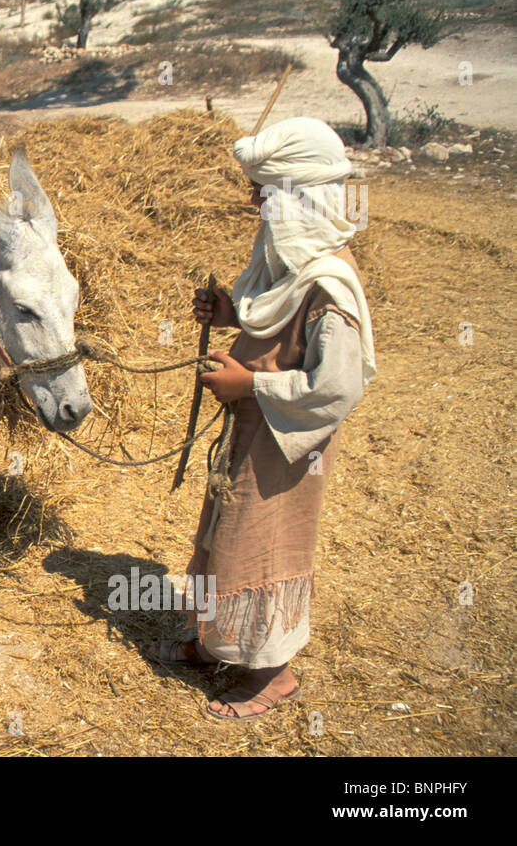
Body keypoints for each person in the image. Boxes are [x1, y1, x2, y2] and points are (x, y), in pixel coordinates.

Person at [145, 117, 376, 720]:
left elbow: (336, 384)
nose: (254, 200)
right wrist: (229, 313)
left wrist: (249, 383)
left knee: (260, 545)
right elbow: (273, 324)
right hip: (250, 431)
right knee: (225, 530)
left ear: (300, 195)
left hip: (285, 443)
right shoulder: (290, 263)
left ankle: (275, 675)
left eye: (264, 190)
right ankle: (213, 641)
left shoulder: (330, 284)